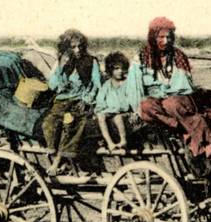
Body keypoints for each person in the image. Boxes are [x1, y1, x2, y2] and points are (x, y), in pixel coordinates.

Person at [128, 17, 211, 174]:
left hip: (177, 97)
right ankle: (175, 125)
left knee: (172, 104)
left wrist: (164, 92)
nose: (165, 41)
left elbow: (183, 86)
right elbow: (135, 88)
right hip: (156, 103)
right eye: (161, 37)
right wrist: (139, 107)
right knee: (145, 106)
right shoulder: (140, 57)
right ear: (153, 37)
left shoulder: (178, 56)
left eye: (169, 37)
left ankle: (203, 141)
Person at [43, 29, 101, 175]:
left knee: (71, 124)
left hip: (80, 100)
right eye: (73, 47)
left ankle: (58, 161)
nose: (78, 50)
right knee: (49, 123)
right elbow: (53, 86)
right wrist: (61, 67)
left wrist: (87, 99)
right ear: (66, 48)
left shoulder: (91, 61)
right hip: (62, 101)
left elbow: (97, 84)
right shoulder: (61, 62)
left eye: (80, 46)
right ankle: (57, 157)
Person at [95, 51, 141, 150]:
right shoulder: (107, 85)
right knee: (100, 116)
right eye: (116, 68)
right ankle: (110, 143)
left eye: (122, 68)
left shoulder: (128, 82)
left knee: (117, 117)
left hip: (124, 112)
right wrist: (104, 109)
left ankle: (123, 140)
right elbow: (100, 101)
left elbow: (130, 101)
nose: (120, 71)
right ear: (110, 70)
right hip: (110, 110)